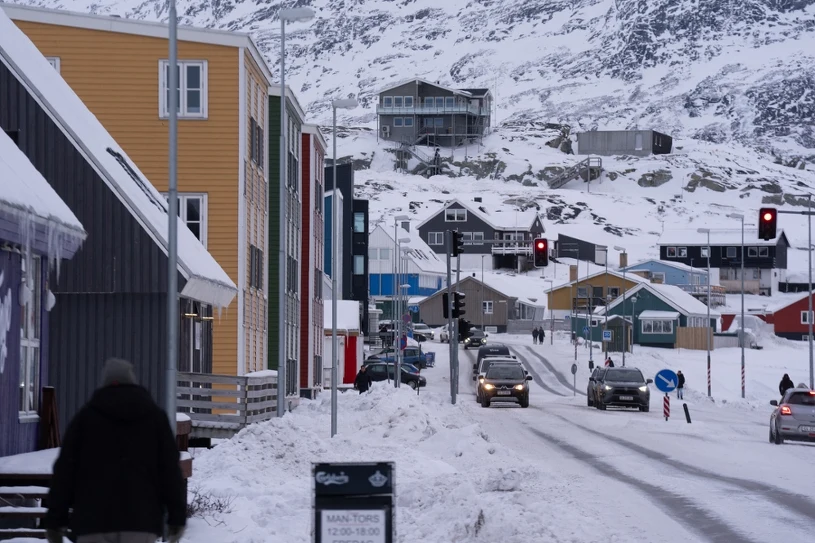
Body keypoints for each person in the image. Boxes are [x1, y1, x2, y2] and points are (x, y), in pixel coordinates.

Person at [43, 358, 186, 543]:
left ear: (105, 383)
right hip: (141, 523)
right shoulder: (155, 419)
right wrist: (177, 517)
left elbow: (65, 472)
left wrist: (55, 520)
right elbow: (170, 472)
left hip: (92, 523)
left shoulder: (85, 419)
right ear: (132, 380)